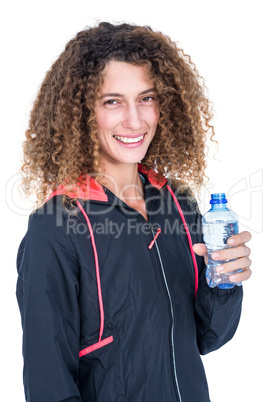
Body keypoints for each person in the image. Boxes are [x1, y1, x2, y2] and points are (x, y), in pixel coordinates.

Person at [16, 22, 252, 402]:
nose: (135, 120)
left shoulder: (177, 202)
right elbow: (49, 385)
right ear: (81, 112)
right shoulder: (57, 226)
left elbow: (208, 337)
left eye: (146, 98)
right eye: (112, 101)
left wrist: (224, 283)